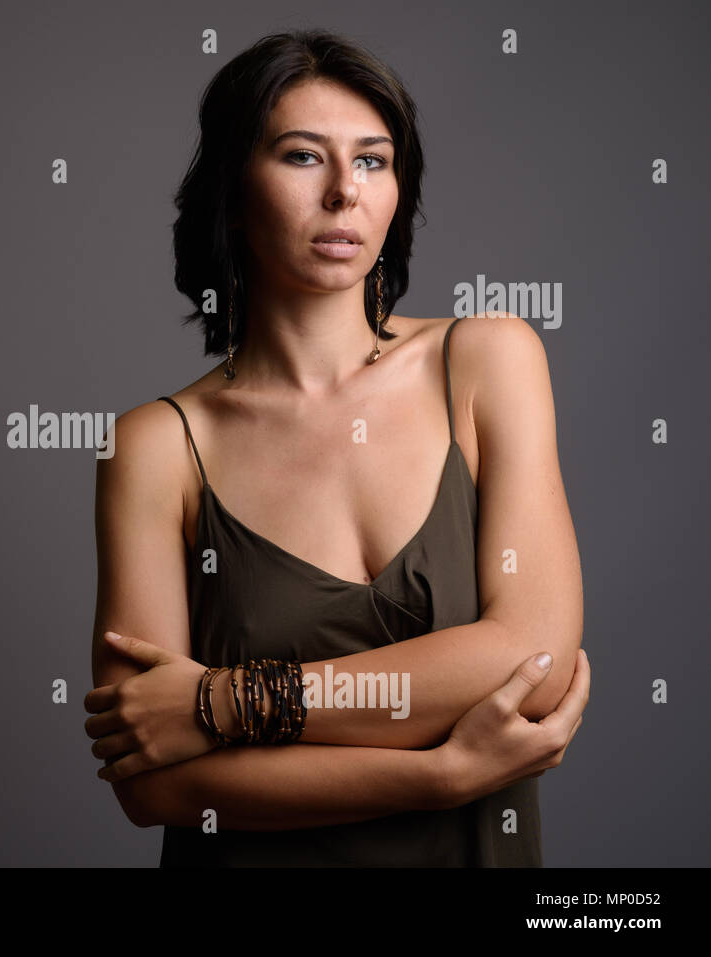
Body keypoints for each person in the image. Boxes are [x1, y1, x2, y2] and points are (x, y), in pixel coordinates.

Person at [85, 29, 588, 866]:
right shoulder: (156, 446)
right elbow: (152, 781)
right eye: (302, 156)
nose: (344, 193)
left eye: (374, 160)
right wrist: (443, 776)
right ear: (234, 190)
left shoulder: (489, 361)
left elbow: (533, 659)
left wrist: (226, 701)